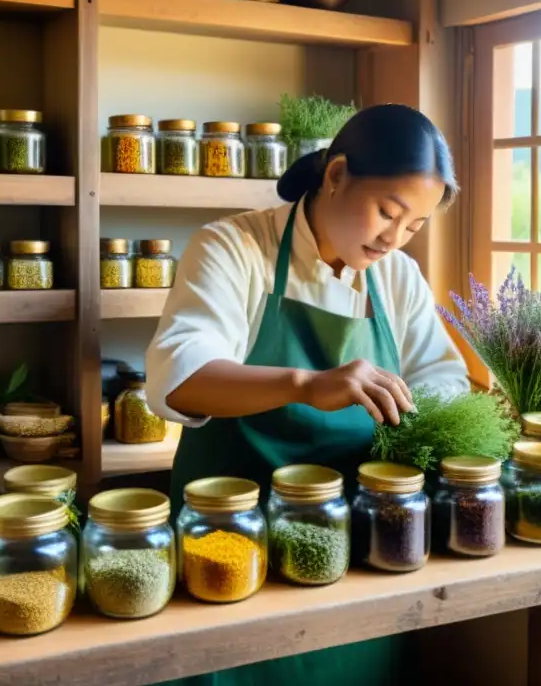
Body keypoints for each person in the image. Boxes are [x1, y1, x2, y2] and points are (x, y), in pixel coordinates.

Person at [145, 103, 470, 686]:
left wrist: (429, 416)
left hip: (351, 547)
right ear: (336, 175)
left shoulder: (397, 277)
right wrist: (307, 384)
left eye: (414, 226)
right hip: (230, 541)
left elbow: (442, 381)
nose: (394, 239)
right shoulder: (233, 248)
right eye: (386, 213)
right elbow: (179, 378)